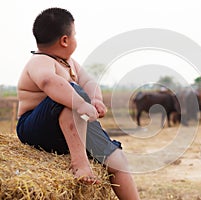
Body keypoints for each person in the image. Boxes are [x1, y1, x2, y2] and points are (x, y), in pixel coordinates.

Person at [16, 7, 140, 200]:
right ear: (65, 40)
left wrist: (96, 99)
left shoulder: (70, 62)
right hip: (35, 128)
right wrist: (81, 103)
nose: (76, 38)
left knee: (117, 160)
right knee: (71, 92)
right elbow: (49, 82)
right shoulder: (40, 61)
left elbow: (89, 81)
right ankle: (80, 163)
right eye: (75, 34)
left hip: (71, 129)